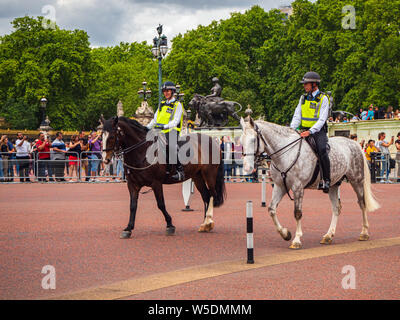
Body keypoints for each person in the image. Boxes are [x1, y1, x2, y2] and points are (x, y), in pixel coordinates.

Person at [290, 71, 331, 193]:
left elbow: (322, 119)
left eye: (306, 84)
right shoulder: (303, 98)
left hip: (317, 131)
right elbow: (297, 115)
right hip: (302, 130)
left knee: (322, 150)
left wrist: (311, 131)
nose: (304, 86)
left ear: (314, 84)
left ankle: (326, 180)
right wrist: (292, 129)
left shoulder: (323, 98)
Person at [147, 81, 185, 181]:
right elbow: (155, 119)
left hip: (172, 131)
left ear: (172, 91)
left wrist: (165, 127)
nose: (166, 93)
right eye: (164, 91)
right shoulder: (162, 104)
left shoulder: (178, 104)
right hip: (159, 131)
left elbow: (176, 121)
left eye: (167, 91)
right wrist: (146, 128)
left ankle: (179, 170)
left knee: (171, 145)